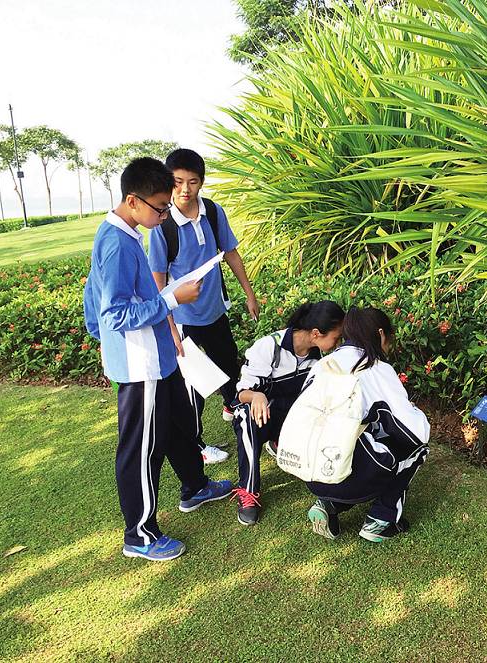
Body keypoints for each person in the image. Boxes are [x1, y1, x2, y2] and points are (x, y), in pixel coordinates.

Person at [83, 157, 232, 562]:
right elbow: (112, 314)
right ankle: (140, 535)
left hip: (158, 356)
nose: (165, 213)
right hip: (140, 364)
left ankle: (195, 486)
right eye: (160, 207)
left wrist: (162, 321)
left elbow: (93, 301)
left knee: (178, 424)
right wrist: (171, 300)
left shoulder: (123, 232)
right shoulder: (116, 242)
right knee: (142, 448)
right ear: (133, 201)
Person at [148, 148, 259, 466]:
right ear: (168, 183)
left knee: (230, 366)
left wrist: (249, 294)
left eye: (193, 181)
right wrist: (169, 326)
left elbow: (231, 253)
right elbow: (158, 281)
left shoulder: (212, 211)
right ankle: (196, 444)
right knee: (192, 388)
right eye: (178, 182)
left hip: (215, 310)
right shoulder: (162, 226)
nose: (185, 189)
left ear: (201, 182)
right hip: (183, 319)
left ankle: (235, 411)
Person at [304, 307, 430, 543]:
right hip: (349, 473)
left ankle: (329, 503)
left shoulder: (323, 364)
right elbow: (415, 431)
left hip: (311, 471)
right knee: (417, 448)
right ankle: (381, 519)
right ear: (380, 334)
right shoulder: (375, 367)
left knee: (357, 435)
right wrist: (415, 413)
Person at [231, 301, 345, 525]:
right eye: (336, 336)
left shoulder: (320, 357)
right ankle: (248, 492)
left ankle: (282, 444)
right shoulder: (269, 347)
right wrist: (256, 396)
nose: (338, 342)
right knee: (245, 416)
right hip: (263, 416)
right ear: (316, 333)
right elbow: (240, 394)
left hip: (296, 418)